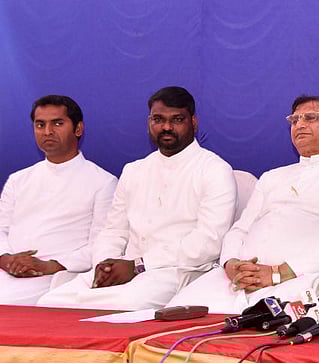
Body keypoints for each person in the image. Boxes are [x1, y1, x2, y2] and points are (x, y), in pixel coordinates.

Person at [166, 96, 319, 313]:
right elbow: (240, 229)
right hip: (237, 280)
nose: (300, 125)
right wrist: (231, 263)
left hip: (298, 280)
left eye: (310, 118)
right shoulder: (272, 177)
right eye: (294, 120)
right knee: (175, 313)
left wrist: (278, 273)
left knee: (252, 325)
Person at [38, 86, 236, 310]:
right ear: (149, 122)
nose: (167, 127)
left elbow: (208, 242)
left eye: (177, 119)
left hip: (176, 271)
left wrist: (139, 265)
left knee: (123, 304)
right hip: (124, 269)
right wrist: (105, 264)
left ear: (194, 122)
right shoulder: (134, 170)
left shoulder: (214, 170)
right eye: (158, 120)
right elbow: (113, 230)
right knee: (49, 303)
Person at [0, 95, 116, 305]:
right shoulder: (18, 180)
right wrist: (7, 260)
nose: (47, 132)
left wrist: (50, 265)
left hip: (57, 276)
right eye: (40, 125)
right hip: (8, 270)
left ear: (78, 129)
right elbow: (1, 229)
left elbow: (102, 244)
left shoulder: (103, 182)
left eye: (57, 123)